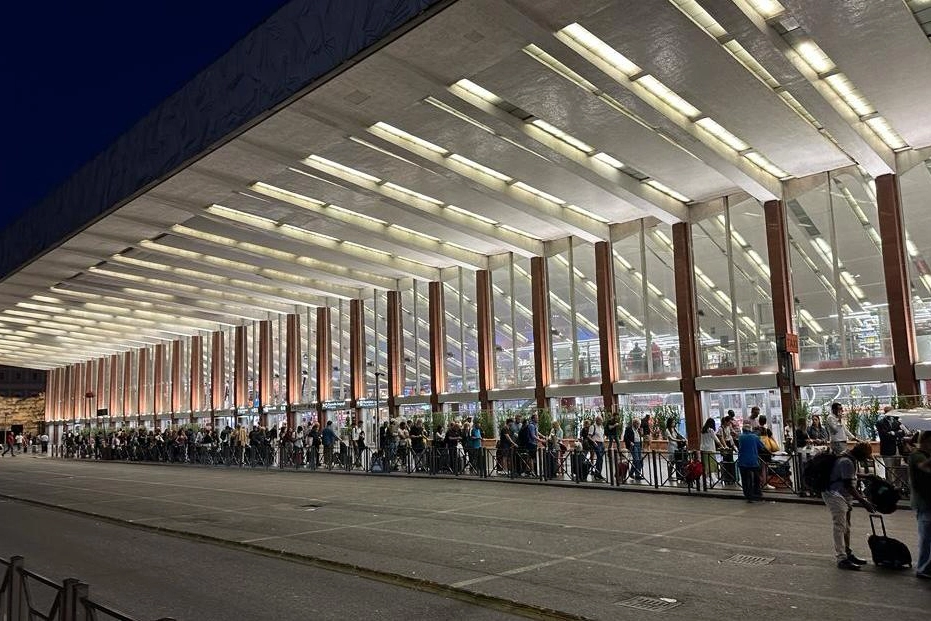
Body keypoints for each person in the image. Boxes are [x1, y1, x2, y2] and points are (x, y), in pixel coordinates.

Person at [822, 442, 875, 571]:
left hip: (842, 494)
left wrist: (866, 476)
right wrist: (864, 502)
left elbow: (849, 477)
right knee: (840, 525)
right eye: (866, 456)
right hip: (834, 494)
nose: (865, 460)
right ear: (860, 454)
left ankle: (847, 552)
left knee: (847, 526)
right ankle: (842, 558)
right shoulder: (847, 461)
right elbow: (848, 485)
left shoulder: (849, 458)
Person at [908, 430, 931, 580]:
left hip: (927, 500)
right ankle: (923, 568)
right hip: (924, 502)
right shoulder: (916, 455)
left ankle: (926, 567)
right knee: (926, 538)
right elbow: (923, 467)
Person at [737, 425, 765, 502]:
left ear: (743, 430)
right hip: (753, 461)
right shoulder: (755, 437)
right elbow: (762, 447)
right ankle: (757, 493)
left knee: (745, 479)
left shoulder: (740, 437)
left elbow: (739, 447)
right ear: (750, 430)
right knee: (757, 478)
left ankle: (748, 496)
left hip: (742, 461)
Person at [663, 416, 685, 481]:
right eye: (673, 422)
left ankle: (678, 475)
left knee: (677, 461)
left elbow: (679, 435)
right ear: (670, 423)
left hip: (676, 447)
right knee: (671, 462)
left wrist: (683, 439)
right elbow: (670, 439)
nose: (674, 423)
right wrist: (679, 441)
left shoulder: (675, 429)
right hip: (671, 447)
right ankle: (669, 475)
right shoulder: (667, 430)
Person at [589, 415, 605, 480]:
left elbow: (602, 435)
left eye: (601, 420)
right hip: (596, 443)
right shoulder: (593, 427)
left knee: (600, 459)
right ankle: (597, 473)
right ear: (597, 420)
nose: (601, 421)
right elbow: (589, 436)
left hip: (601, 443)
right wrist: (594, 442)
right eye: (600, 420)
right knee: (600, 458)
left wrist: (603, 440)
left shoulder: (601, 427)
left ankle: (597, 473)